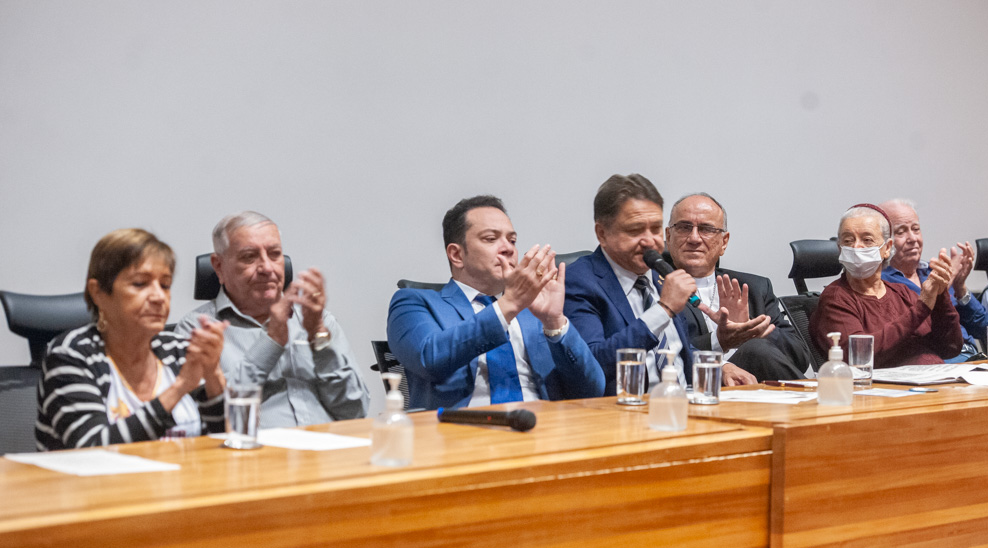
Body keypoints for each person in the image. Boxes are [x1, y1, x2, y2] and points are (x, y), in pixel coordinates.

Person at [387, 195, 605, 410]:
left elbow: (593, 390)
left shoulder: (534, 313)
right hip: (460, 433)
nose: (508, 249)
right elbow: (429, 359)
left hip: (541, 429)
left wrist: (555, 322)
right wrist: (507, 307)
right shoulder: (414, 302)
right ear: (457, 255)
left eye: (512, 240)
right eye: (491, 239)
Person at [564, 174, 771, 396]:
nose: (649, 241)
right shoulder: (579, 282)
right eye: (635, 230)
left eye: (654, 229)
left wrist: (721, 366)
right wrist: (664, 310)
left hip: (689, 404)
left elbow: (675, 349)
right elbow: (592, 364)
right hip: (628, 414)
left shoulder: (658, 275)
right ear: (602, 234)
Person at [37, 229, 228, 450]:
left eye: (165, 285)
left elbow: (227, 442)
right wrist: (179, 388)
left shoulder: (177, 349)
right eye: (140, 284)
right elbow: (91, 448)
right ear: (98, 292)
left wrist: (213, 374)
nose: (158, 297)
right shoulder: (71, 354)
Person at [175, 211, 368, 427]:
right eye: (249, 257)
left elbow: (356, 410)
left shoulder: (317, 319)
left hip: (328, 450)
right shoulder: (197, 329)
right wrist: (272, 341)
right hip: (254, 455)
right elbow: (211, 421)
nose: (267, 268)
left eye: (275, 254)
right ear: (218, 266)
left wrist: (318, 337)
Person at [666, 193, 810, 380]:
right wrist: (718, 341)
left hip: (762, 394)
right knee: (756, 350)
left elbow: (800, 357)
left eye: (706, 229)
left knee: (757, 347)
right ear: (668, 236)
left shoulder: (754, 287)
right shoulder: (656, 289)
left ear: (724, 242)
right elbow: (661, 352)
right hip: (700, 388)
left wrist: (754, 331)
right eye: (684, 228)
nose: (694, 238)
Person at [810, 203, 962, 366]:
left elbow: (950, 348)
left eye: (867, 240)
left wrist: (940, 295)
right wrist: (921, 307)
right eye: (848, 240)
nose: (856, 247)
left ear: (887, 248)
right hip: (885, 387)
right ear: (840, 248)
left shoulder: (901, 292)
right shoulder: (836, 298)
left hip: (934, 378)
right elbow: (858, 356)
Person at [880, 199, 988, 361]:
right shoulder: (881, 282)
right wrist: (944, 284)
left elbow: (983, 328)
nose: (912, 238)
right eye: (901, 232)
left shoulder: (934, 272)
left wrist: (959, 287)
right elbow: (917, 329)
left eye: (916, 229)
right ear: (884, 242)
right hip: (937, 361)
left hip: (973, 358)